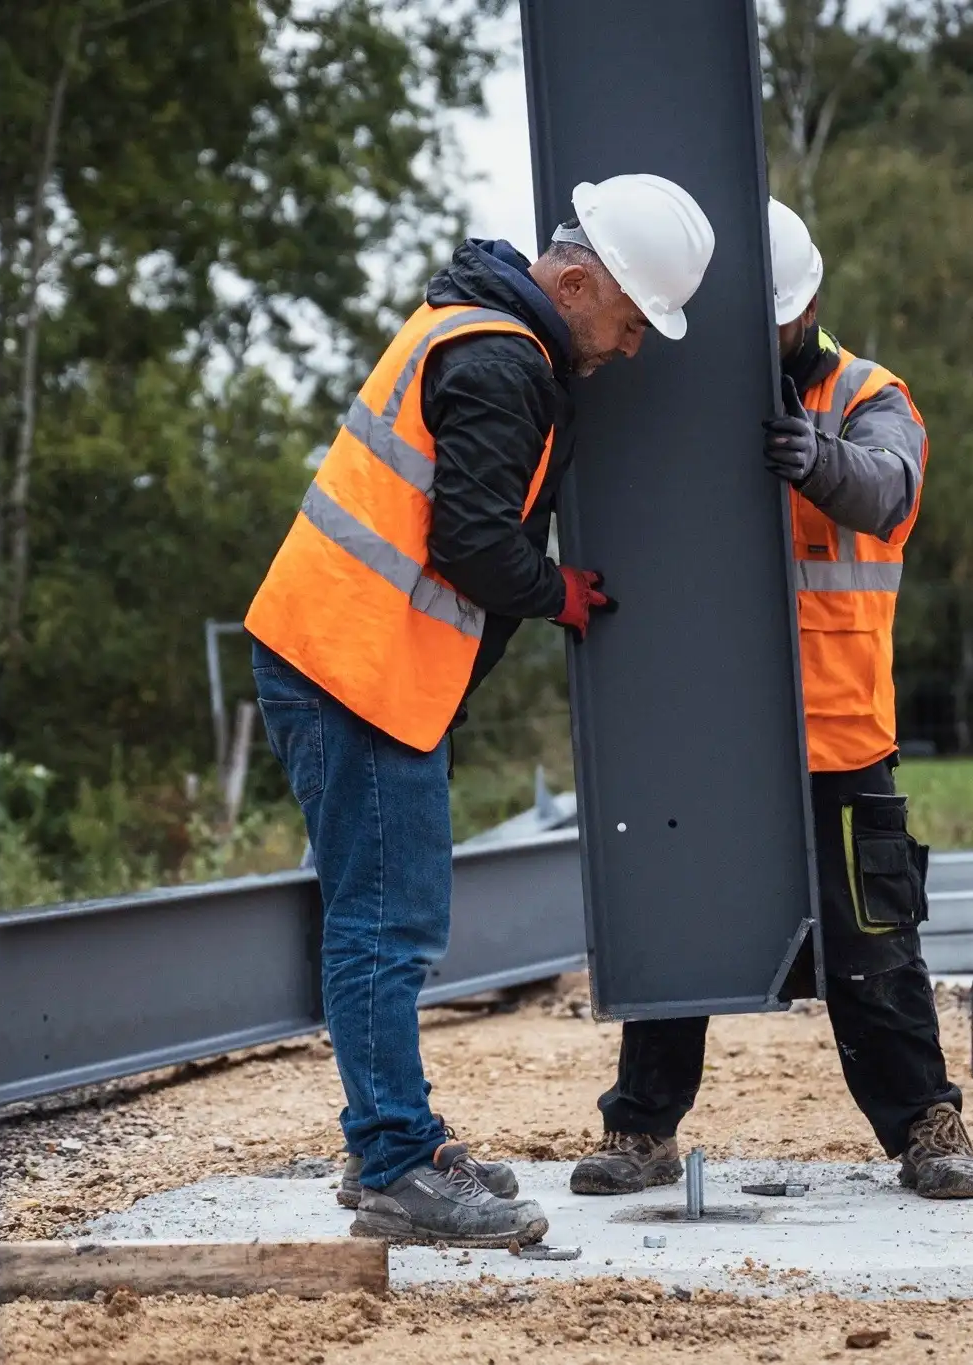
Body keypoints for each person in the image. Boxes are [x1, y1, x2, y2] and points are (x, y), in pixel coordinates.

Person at [244, 174, 715, 1246]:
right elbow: (468, 541)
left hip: (350, 656)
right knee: (386, 924)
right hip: (354, 667)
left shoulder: (473, 325)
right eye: (632, 320)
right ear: (579, 281)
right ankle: (397, 1167)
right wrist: (558, 592)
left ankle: (392, 1139)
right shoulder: (503, 361)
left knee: (381, 917)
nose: (632, 347)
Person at [569, 198, 973, 1202]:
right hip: (708, 738)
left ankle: (927, 1130)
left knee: (873, 950)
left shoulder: (868, 395)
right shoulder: (679, 401)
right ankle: (639, 1129)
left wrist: (817, 459)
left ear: (801, 314)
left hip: (838, 737)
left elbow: (886, 488)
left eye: (774, 329)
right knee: (677, 924)